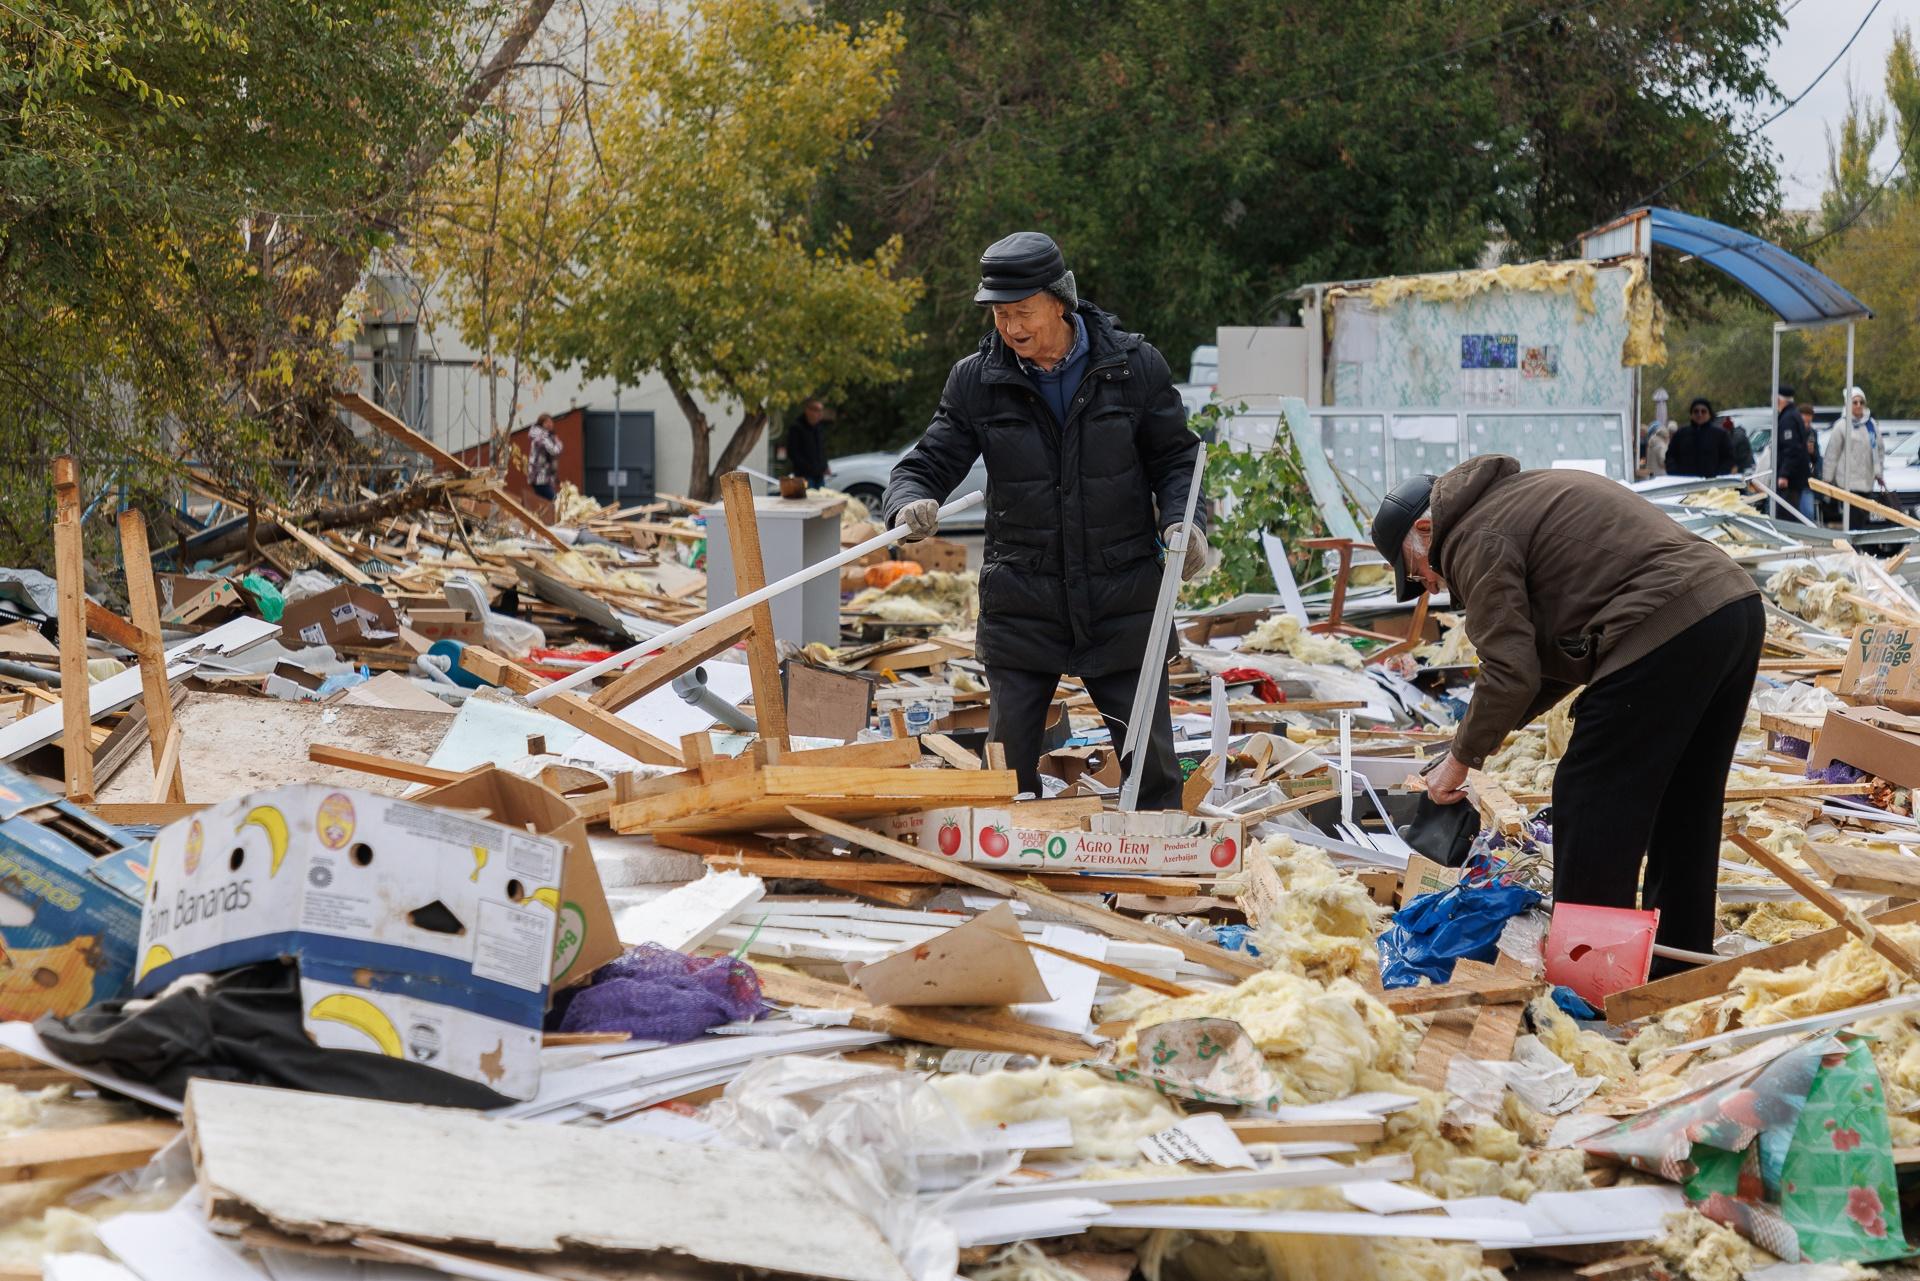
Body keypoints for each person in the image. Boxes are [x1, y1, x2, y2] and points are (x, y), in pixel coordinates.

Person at [1370, 456, 1762, 966]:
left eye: (1416, 570)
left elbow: (1509, 671)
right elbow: (1538, 671)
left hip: (1664, 625)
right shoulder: (1512, 503)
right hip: (1731, 611)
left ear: (1425, 529)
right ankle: (1681, 966)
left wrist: (1462, 758)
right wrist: (1469, 746)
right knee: (1685, 805)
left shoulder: (1471, 536)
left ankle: (1592, 974)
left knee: (1588, 796)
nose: (1430, 585)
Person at [883, 231, 1207, 809]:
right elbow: (929, 461)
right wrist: (908, 503)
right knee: (1005, 780)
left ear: (1061, 300)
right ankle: (1008, 888)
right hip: (1022, 601)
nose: (1012, 328)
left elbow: (1178, 458)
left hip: (1121, 597)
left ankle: (1159, 880)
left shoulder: (1132, 368)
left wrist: (1185, 522)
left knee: (1151, 774)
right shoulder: (977, 380)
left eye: (1023, 312)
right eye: (1000, 315)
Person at [1824, 385, 1885, 518]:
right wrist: (1827, 479)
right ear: (1848, 404)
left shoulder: (1871, 424)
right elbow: (1832, 454)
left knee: (1863, 518)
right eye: (1855, 402)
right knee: (1852, 518)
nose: (1858, 405)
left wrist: (1879, 472)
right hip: (1847, 481)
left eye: (1861, 402)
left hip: (1867, 481)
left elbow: (1879, 450)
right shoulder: (1841, 425)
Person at [1663, 397, 1736, 477]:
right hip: (1685, 482)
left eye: (1703, 411)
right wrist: (1675, 472)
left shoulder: (1720, 434)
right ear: (1691, 414)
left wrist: (1719, 474)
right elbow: (1670, 456)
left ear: (1709, 414)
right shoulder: (1681, 434)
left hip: (1712, 483)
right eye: (1696, 411)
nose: (1699, 414)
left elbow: (1729, 458)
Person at [1774, 385, 1813, 520]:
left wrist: (1784, 474)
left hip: (1791, 479)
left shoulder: (1788, 419)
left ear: (1779, 400)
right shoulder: (1794, 415)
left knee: (1785, 516)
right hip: (1796, 476)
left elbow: (1791, 449)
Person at [785, 398, 830, 490]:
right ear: (808, 410)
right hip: (804, 476)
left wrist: (824, 465)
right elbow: (793, 453)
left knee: (820, 500)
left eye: (821, 411)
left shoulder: (818, 428)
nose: (820, 414)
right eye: (817, 410)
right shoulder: (796, 428)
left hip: (819, 475)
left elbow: (822, 449)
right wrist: (809, 468)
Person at [525, 413, 563, 504]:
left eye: (551, 421)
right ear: (541, 424)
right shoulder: (540, 437)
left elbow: (558, 447)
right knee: (556, 501)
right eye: (547, 422)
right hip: (539, 477)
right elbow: (555, 450)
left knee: (544, 503)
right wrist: (557, 443)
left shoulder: (549, 436)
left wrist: (557, 443)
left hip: (545, 477)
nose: (550, 424)